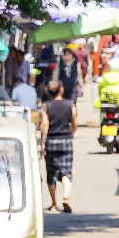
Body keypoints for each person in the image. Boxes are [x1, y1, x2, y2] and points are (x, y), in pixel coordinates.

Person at [39, 80, 77, 213]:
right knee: (66, 171)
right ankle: (66, 196)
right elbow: (74, 122)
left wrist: (42, 144)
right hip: (65, 141)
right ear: (61, 90)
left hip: (51, 143)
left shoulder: (45, 106)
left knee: (51, 174)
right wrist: (71, 134)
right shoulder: (69, 104)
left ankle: (54, 203)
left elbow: (44, 125)